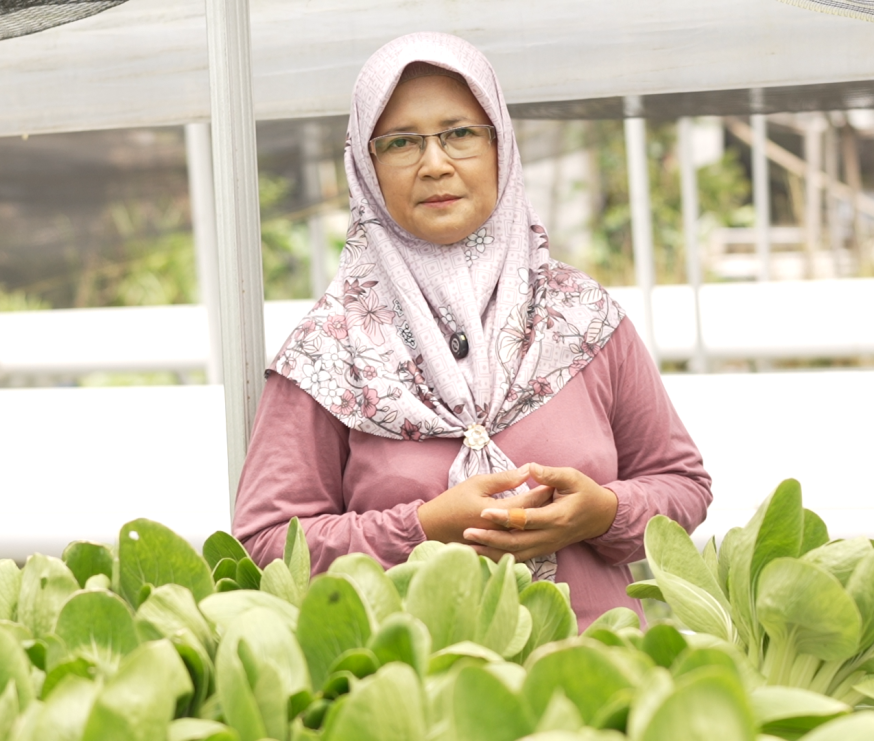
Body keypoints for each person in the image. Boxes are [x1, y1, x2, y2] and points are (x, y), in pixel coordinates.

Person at [232, 32, 711, 629]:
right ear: (366, 166)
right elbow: (267, 544)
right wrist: (424, 529)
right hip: (415, 678)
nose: (435, 164)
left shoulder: (581, 317)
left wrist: (605, 513)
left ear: (499, 146)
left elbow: (682, 484)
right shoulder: (330, 351)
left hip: (601, 672)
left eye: (459, 133)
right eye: (401, 142)